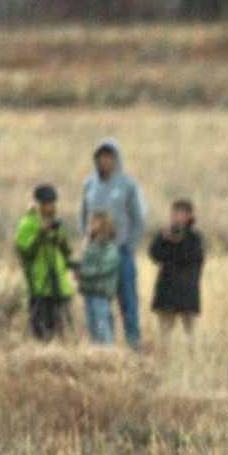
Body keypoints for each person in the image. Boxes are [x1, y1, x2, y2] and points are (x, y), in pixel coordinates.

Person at [80, 139, 147, 348]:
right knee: (98, 300)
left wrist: (130, 243)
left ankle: (133, 344)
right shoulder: (89, 184)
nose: (104, 161)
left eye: (108, 157)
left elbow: (139, 217)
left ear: (116, 159)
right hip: (97, 252)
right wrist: (87, 239)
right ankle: (103, 346)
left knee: (128, 299)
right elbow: (82, 213)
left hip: (121, 249)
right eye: (100, 157)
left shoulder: (128, 184)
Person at [16, 184, 75, 341]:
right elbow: (25, 252)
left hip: (59, 286)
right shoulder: (27, 225)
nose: (49, 207)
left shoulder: (56, 224)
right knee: (41, 333)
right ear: (36, 204)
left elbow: (67, 252)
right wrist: (40, 235)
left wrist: (62, 242)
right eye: (45, 203)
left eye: (52, 203)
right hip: (40, 286)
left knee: (61, 332)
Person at [149, 198, 205, 337]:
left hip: (187, 289)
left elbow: (191, 257)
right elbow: (154, 255)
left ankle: (192, 357)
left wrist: (178, 243)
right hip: (166, 290)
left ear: (189, 215)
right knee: (164, 333)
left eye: (179, 213)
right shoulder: (165, 234)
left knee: (190, 333)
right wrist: (164, 240)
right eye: (173, 213)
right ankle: (165, 356)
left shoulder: (194, 238)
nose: (175, 217)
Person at [77, 212, 122, 346]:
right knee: (91, 326)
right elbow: (85, 262)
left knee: (102, 325)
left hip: (101, 292)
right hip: (88, 290)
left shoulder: (110, 245)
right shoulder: (89, 243)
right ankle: (95, 354)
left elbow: (105, 267)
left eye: (94, 222)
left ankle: (107, 352)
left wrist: (83, 272)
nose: (90, 226)